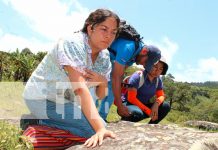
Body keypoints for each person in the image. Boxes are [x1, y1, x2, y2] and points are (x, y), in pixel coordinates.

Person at [23, 8, 120, 148]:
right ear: (90, 28)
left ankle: (48, 127)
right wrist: (99, 129)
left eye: (113, 32)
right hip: (41, 98)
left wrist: (103, 82)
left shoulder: (104, 57)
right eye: (104, 29)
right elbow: (80, 89)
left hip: (65, 102)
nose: (108, 36)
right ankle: (37, 124)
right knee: (93, 130)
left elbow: (100, 95)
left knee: (97, 127)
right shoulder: (72, 43)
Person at [98, 38, 162, 121]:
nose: (143, 65)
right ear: (144, 52)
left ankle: (101, 117)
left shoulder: (133, 57)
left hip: (107, 62)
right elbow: (116, 78)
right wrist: (120, 105)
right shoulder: (128, 48)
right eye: (146, 62)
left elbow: (119, 77)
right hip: (97, 58)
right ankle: (90, 117)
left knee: (110, 90)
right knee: (108, 87)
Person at [121, 56, 171, 123]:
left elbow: (161, 95)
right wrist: (148, 111)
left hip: (142, 106)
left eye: (160, 69)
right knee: (137, 113)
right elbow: (131, 99)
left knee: (165, 106)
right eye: (155, 67)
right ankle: (124, 122)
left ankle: (151, 127)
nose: (157, 71)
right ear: (149, 65)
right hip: (127, 104)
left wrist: (156, 104)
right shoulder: (137, 77)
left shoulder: (158, 80)